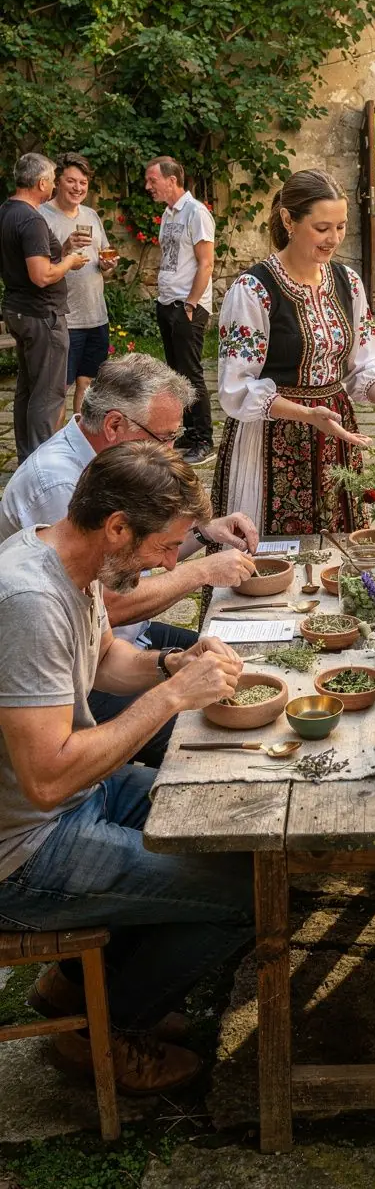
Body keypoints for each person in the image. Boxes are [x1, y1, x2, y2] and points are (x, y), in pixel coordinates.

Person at [0, 442, 254, 1095]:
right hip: (25, 848)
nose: (172, 564)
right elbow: (48, 778)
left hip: (76, 799)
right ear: (117, 526)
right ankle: (99, 1036)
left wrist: (173, 662)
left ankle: (75, 985)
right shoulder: (27, 601)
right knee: (248, 889)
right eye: (167, 548)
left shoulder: (64, 556)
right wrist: (174, 697)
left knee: (233, 821)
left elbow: (105, 657)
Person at [0, 353, 257, 764]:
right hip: (78, 691)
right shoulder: (59, 486)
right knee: (218, 743)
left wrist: (200, 532)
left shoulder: (111, 474)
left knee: (250, 668)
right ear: (115, 424)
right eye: (164, 438)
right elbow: (114, 602)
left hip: (116, 653)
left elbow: (112, 624)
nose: (172, 450)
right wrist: (202, 573)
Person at [213, 169, 375, 534]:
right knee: (271, 559)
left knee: (338, 547)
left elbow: (363, 365)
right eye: (322, 228)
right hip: (270, 437)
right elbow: (236, 388)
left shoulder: (347, 282)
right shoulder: (253, 290)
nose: (333, 239)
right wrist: (307, 414)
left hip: (334, 434)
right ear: (289, 219)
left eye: (340, 227)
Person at [0, 152, 88, 461]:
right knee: (48, 395)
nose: (52, 185)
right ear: (41, 182)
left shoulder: (6, 211)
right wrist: (70, 260)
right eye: (52, 179)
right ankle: (42, 464)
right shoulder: (31, 218)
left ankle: (27, 458)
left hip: (18, 309)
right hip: (42, 315)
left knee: (28, 389)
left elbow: (29, 262)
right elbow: (41, 275)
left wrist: (62, 249)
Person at [145, 156, 215, 466]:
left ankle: (203, 439)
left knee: (191, 374)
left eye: (152, 180)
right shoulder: (169, 214)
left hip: (187, 306)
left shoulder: (196, 212)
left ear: (171, 181)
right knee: (176, 375)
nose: (148, 186)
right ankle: (188, 431)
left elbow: (206, 263)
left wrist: (190, 304)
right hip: (167, 304)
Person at [41, 152, 118, 419]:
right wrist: (64, 249)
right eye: (71, 181)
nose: (78, 188)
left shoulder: (91, 215)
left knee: (88, 385)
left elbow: (102, 259)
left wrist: (108, 265)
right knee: (58, 390)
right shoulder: (42, 217)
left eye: (83, 183)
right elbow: (39, 270)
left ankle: (80, 449)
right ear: (57, 182)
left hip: (96, 317)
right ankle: (53, 450)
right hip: (64, 319)